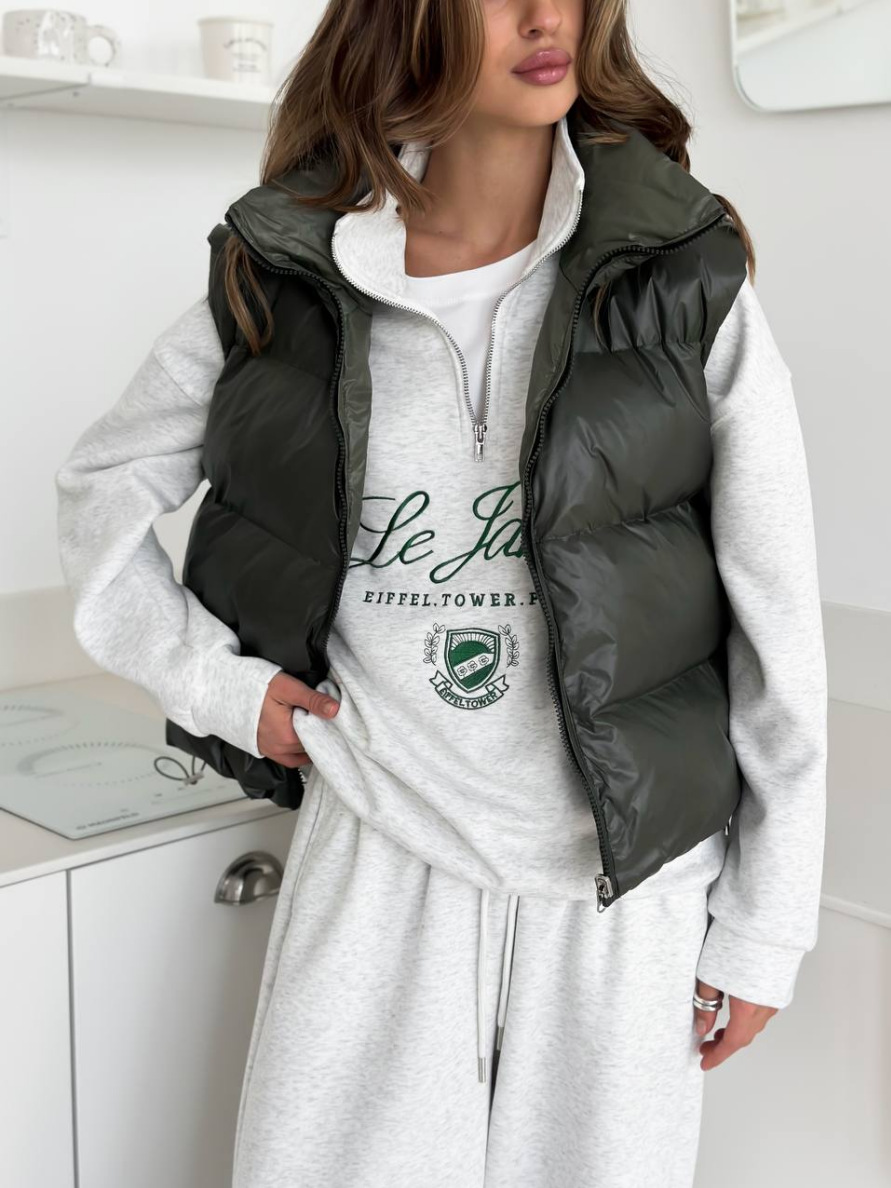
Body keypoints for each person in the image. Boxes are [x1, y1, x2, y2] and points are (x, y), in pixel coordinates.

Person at [54, 0, 828, 1184]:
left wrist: (767, 923)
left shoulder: (680, 275)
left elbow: (779, 617)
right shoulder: (289, 276)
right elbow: (100, 491)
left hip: (626, 895)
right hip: (377, 858)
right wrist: (215, 685)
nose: (544, 16)